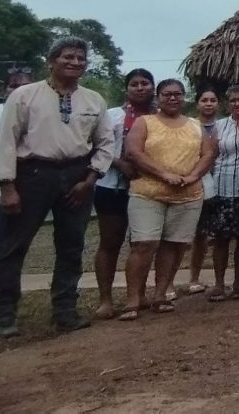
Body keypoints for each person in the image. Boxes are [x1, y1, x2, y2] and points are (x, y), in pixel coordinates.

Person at [0, 38, 114, 337]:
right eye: (68, 57)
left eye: (81, 58)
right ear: (51, 61)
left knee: (71, 245)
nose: (75, 62)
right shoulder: (25, 95)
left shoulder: (93, 99)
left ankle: (65, 311)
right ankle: (2, 313)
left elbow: (106, 142)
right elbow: (6, 141)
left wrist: (90, 179)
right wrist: (7, 187)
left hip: (77, 175)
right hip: (33, 173)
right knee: (14, 245)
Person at [119, 79, 215, 320]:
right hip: (148, 193)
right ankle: (133, 299)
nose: (172, 98)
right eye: (167, 94)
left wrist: (193, 176)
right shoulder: (145, 122)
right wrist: (163, 174)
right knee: (144, 244)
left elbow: (208, 154)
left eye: (177, 94)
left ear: (184, 97)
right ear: (158, 97)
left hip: (187, 194)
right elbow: (133, 152)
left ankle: (161, 295)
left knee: (174, 245)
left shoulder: (195, 125)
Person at [93, 68, 156, 319]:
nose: (140, 88)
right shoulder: (111, 116)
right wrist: (120, 164)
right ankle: (105, 299)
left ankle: (138, 293)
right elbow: (96, 146)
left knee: (142, 244)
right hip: (112, 186)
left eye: (145, 83)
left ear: (153, 87)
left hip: (147, 187)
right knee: (110, 242)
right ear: (126, 88)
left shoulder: (158, 118)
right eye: (134, 84)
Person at [0, 69, 33, 292]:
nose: (18, 91)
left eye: (25, 87)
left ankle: (0, 302)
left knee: (11, 253)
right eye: (13, 85)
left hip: (27, 196)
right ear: (4, 90)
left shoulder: (38, 116)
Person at [205, 85, 239, 301]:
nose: (237, 103)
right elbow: (210, 155)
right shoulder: (220, 125)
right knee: (221, 239)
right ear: (227, 104)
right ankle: (218, 284)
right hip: (222, 188)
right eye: (232, 100)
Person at [183, 86, 221, 295]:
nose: (208, 104)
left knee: (210, 236)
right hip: (194, 182)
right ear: (197, 104)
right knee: (190, 235)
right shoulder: (188, 125)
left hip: (219, 183)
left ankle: (215, 280)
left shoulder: (223, 126)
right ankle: (191, 279)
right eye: (204, 100)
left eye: (212, 100)